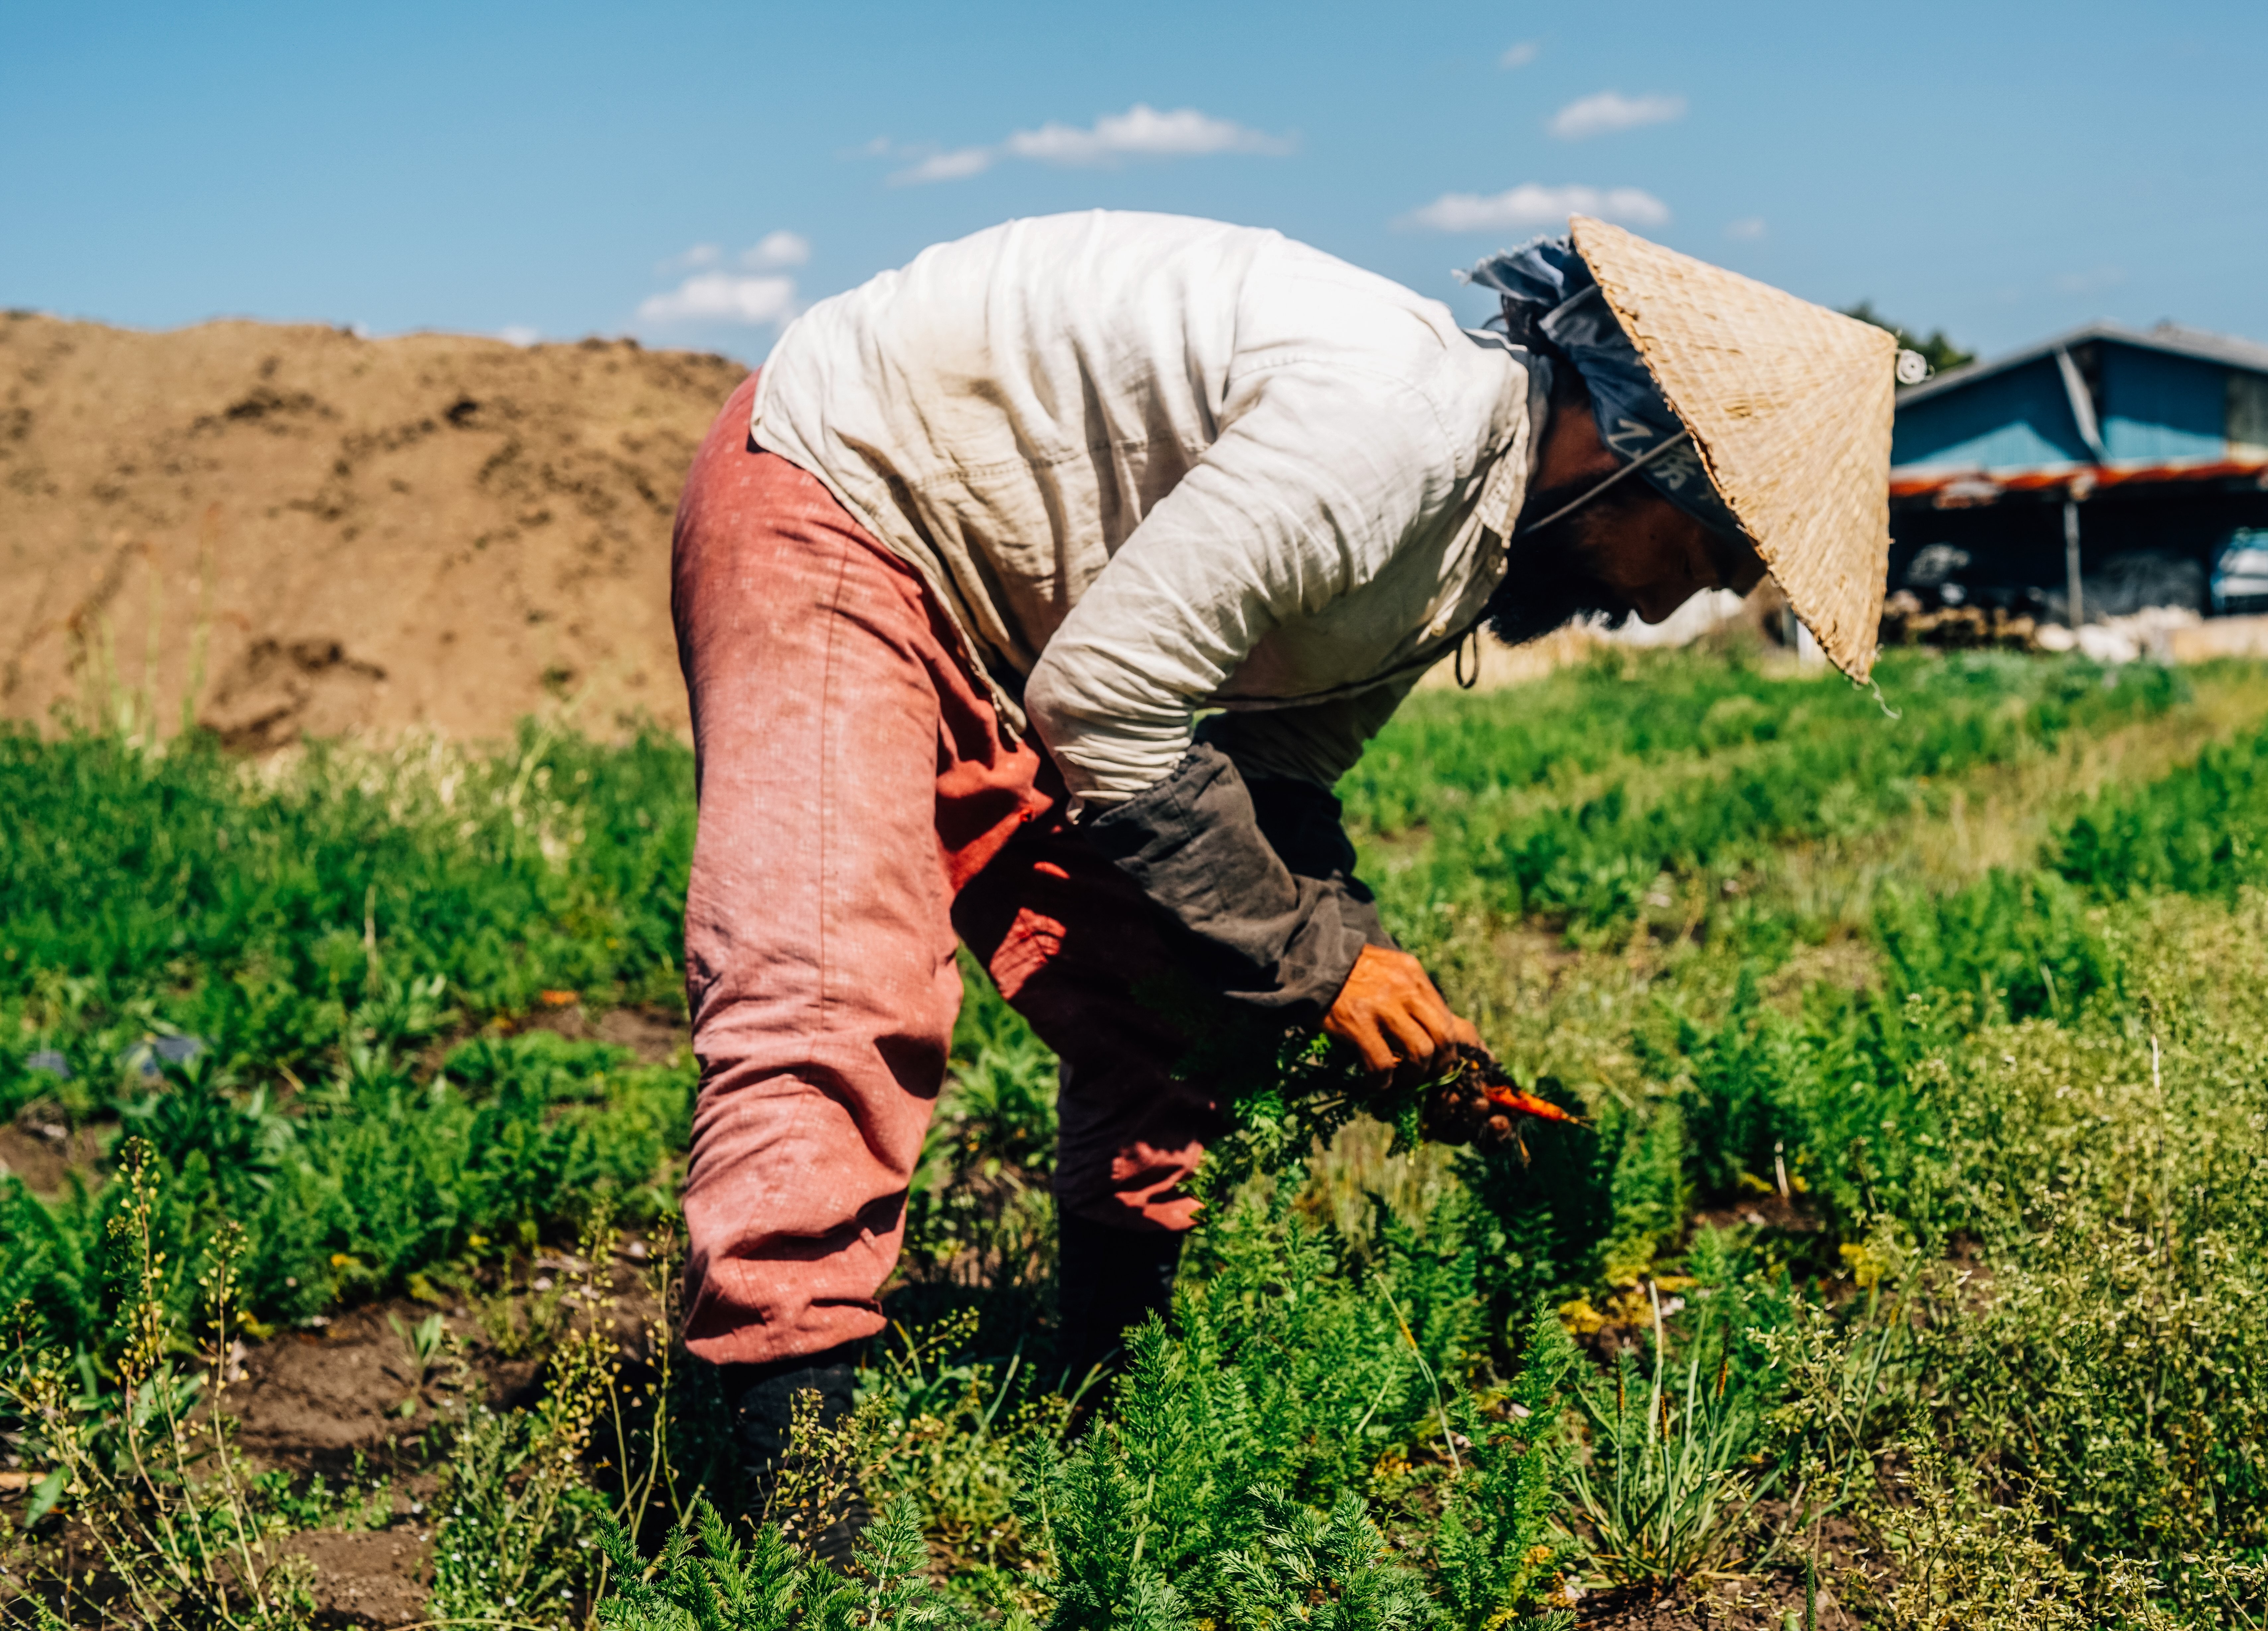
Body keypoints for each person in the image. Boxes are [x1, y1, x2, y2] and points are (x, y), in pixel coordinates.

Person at [668, 210, 1896, 1497]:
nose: (1661, 606)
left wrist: (1356, 965)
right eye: (1703, 559)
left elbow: (1274, 779)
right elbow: (1107, 705)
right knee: (833, 980)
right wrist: (1323, 968)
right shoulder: (1399, 434)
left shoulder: (1459, 551)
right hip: (845, 491)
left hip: (1019, 618)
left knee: (1171, 994)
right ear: (1616, 448)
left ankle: (1102, 1410)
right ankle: (775, 1499)